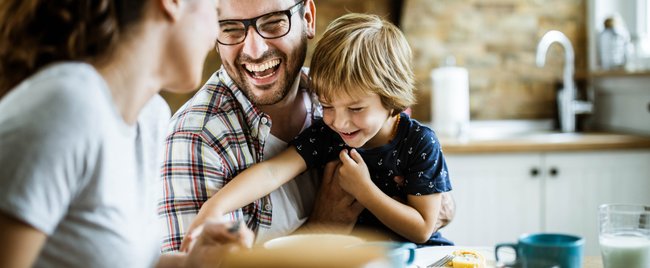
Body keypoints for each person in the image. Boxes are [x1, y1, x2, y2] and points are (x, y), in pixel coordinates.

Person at [0, 0, 253, 267]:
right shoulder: (67, 107)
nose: (215, 33)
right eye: (214, 12)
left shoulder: (150, 117)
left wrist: (190, 263)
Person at [187, 13, 455, 246]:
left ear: (392, 99)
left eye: (356, 109)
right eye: (327, 105)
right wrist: (215, 207)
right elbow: (272, 171)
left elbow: (422, 229)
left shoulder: (419, 142)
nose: (339, 122)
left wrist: (364, 190)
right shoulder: (329, 136)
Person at [159, 0, 368, 253]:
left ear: (308, 19)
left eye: (274, 22)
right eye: (231, 28)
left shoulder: (349, 101)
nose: (255, 50)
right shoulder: (196, 138)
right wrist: (324, 227)